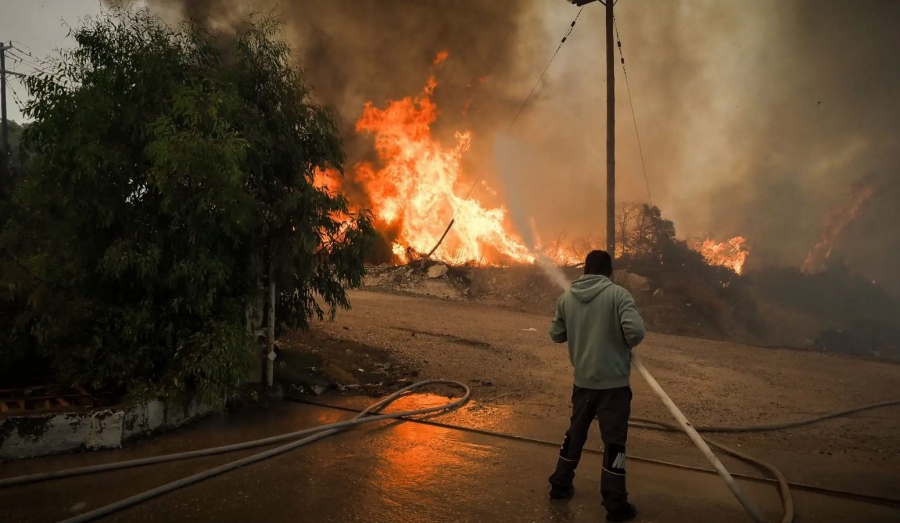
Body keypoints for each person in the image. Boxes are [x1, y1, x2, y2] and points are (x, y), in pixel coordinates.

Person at [547, 249, 646, 522]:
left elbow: (556, 334)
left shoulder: (566, 298)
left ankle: (560, 484)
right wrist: (618, 338)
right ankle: (615, 504)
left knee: (575, 434)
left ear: (585, 270)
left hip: (583, 384)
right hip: (613, 387)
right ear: (609, 271)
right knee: (614, 443)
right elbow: (635, 332)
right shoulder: (619, 295)